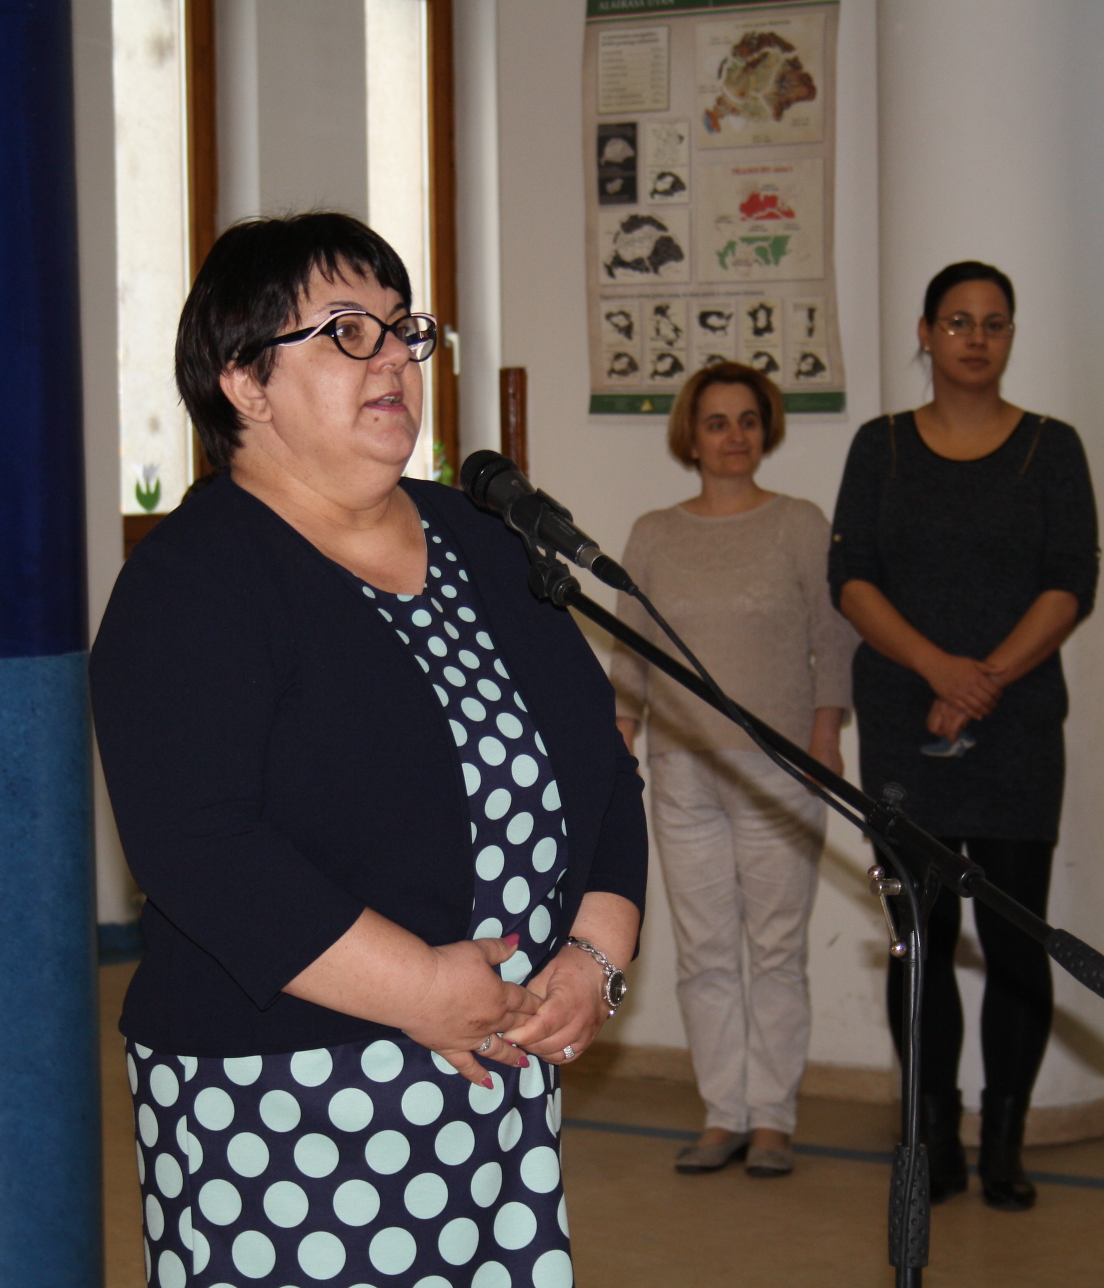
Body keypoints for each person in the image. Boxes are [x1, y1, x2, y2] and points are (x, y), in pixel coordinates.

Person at [90, 212, 647, 1288]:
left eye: (403, 329)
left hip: (496, 1075)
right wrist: (425, 991)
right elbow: (199, 847)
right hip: (281, 1095)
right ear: (244, 383)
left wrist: (596, 955)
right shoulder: (192, 581)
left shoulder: (483, 541)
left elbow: (598, 763)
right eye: (347, 332)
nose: (393, 356)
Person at [829, 261, 1100, 1212]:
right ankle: (934, 1133)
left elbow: (1071, 583)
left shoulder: (1052, 448)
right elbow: (852, 579)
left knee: (1017, 943)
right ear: (926, 333)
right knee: (922, 940)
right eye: (957, 321)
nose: (976, 338)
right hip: (905, 722)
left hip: (1017, 724)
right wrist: (940, 671)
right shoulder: (881, 447)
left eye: (993, 322)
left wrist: (984, 681)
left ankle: (1005, 1144)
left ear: (1011, 335)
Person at [610, 362, 857, 1179]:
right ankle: (724, 1114)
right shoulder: (654, 532)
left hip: (781, 769)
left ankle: (774, 1119)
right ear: (692, 435)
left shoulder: (799, 523)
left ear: (766, 429)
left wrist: (826, 734)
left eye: (747, 420)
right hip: (681, 771)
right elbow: (632, 648)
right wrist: (622, 734)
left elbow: (832, 639)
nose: (734, 436)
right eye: (716, 422)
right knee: (705, 953)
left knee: (776, 950)